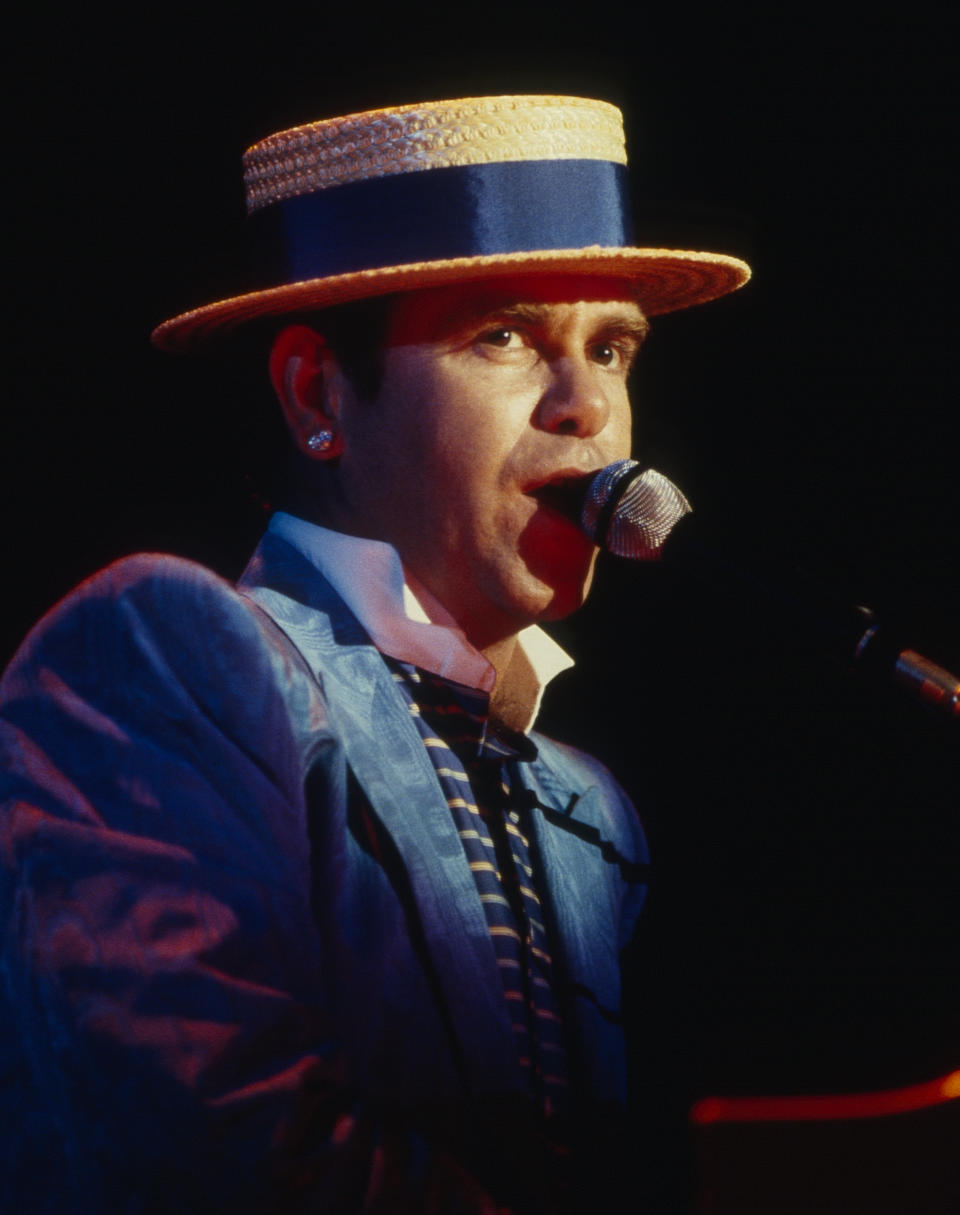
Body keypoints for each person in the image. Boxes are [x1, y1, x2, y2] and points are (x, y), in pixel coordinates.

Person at [0, 95, 750, 1212]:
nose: (589, 405)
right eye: (504, 336)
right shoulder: (166, 654)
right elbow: (209, 1146)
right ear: (317, 395)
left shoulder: (588, 806)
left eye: (614, 346)